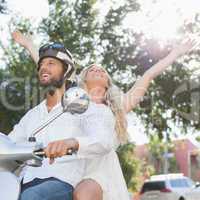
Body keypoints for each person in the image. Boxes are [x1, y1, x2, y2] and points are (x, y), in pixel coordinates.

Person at [12, 30, 197, 200]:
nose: (97, 70)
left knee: (82, 194)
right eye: (91, 69)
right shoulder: (76, 99)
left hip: (100, 161)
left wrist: (175, 53)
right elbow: (51, 67)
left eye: (101, 70)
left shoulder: (118, 105)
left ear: (108, 82)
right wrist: (30, 46)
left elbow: (147, 75)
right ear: (82, 79)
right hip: (75, 162)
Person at [8, 41, 117, 200]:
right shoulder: (31, 115)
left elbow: (103, 140)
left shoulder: (84, 107)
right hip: (24, 181)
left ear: (66, 72)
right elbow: (10, 143)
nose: (44, 67)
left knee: (31, 196)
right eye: (41, 65)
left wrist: (71, 142)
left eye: (51, 63)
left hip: (61, 180)